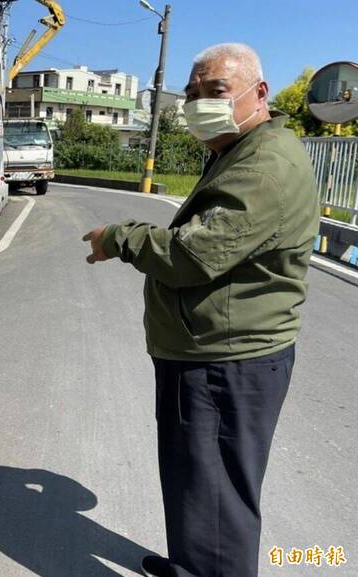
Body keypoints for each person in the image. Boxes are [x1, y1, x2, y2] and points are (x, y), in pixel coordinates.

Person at [82, 43, 319, 577]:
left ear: (259, 94)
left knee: (216, 499)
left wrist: (119, 237)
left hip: (224, 362)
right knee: (198, 484)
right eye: (191, 95)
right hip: (214, 351)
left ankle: (206, 566)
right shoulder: (242, 149)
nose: (198, 105)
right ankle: (192, 564)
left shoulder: (262, 167)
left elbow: (192, 255)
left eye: (214, 92)